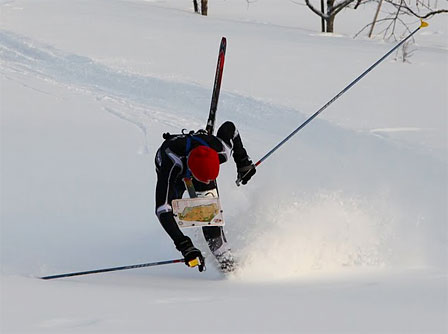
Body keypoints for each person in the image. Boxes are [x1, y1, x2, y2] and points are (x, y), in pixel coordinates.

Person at [154, 121, 256, 272]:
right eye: (205, 179)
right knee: (172, 209)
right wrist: (185, 246)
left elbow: (230, 128)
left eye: (211, 179)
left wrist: (243, 161)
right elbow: (162, 209)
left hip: (201, 162)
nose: (209, 182)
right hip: (176, 173)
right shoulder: (171, 164)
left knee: (209, 218)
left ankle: (227, 262)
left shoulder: (221, 151)